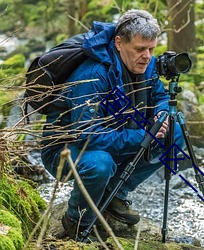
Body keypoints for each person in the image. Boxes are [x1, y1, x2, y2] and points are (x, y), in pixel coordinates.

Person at [41, 9, 185, 241]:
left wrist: (162, 113)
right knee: (100, 164)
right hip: (66, 150)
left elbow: (159, 95)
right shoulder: (92, 75)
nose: (147, 56)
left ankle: (115, 193)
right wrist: (143, 136)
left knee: (174, 133)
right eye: (140, 49)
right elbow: (87, 136)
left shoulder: (145, 64)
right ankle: (76, 221)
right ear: (119, 43)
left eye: (152, 49)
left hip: (116, 135)